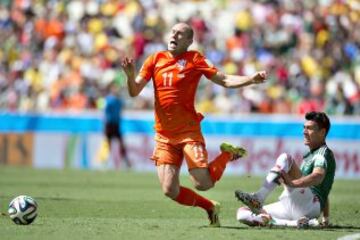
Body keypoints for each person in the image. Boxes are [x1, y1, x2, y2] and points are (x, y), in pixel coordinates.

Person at [121, 22, 267, 227]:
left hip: (188, 132)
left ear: (189, 41)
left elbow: (224, 80)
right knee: (169, 190)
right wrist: (129, 77)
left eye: (180, 34)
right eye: (172, 32)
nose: (174, 36)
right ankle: (210, 207)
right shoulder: (155, 59)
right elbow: (134, 91)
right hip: (164, 135)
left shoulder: (195, 59)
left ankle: (227, 155)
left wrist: (250, 79)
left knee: (203, 183)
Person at [235, 111, 336, 228]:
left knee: (286, 158)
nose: (304, 132)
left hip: (308, 203)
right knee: (242, 213)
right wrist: (325, 218)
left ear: (322, 132)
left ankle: (259, 197)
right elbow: (324, 188)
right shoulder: (310, 155)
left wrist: (292, 183)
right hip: (294, 206)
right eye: (304, 128)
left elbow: (318, 176)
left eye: (309, 128)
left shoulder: (322, 153)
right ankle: (294, 223)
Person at [103, 81, 131, 169]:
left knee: (121, 144)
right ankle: (105, 162)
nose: (116, 90)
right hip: (109, 125)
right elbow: (105, 113)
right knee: (108, 144)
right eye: (114, 88)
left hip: (116, 125)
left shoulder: (119, 101)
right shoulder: (109, 100)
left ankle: (125, 162)